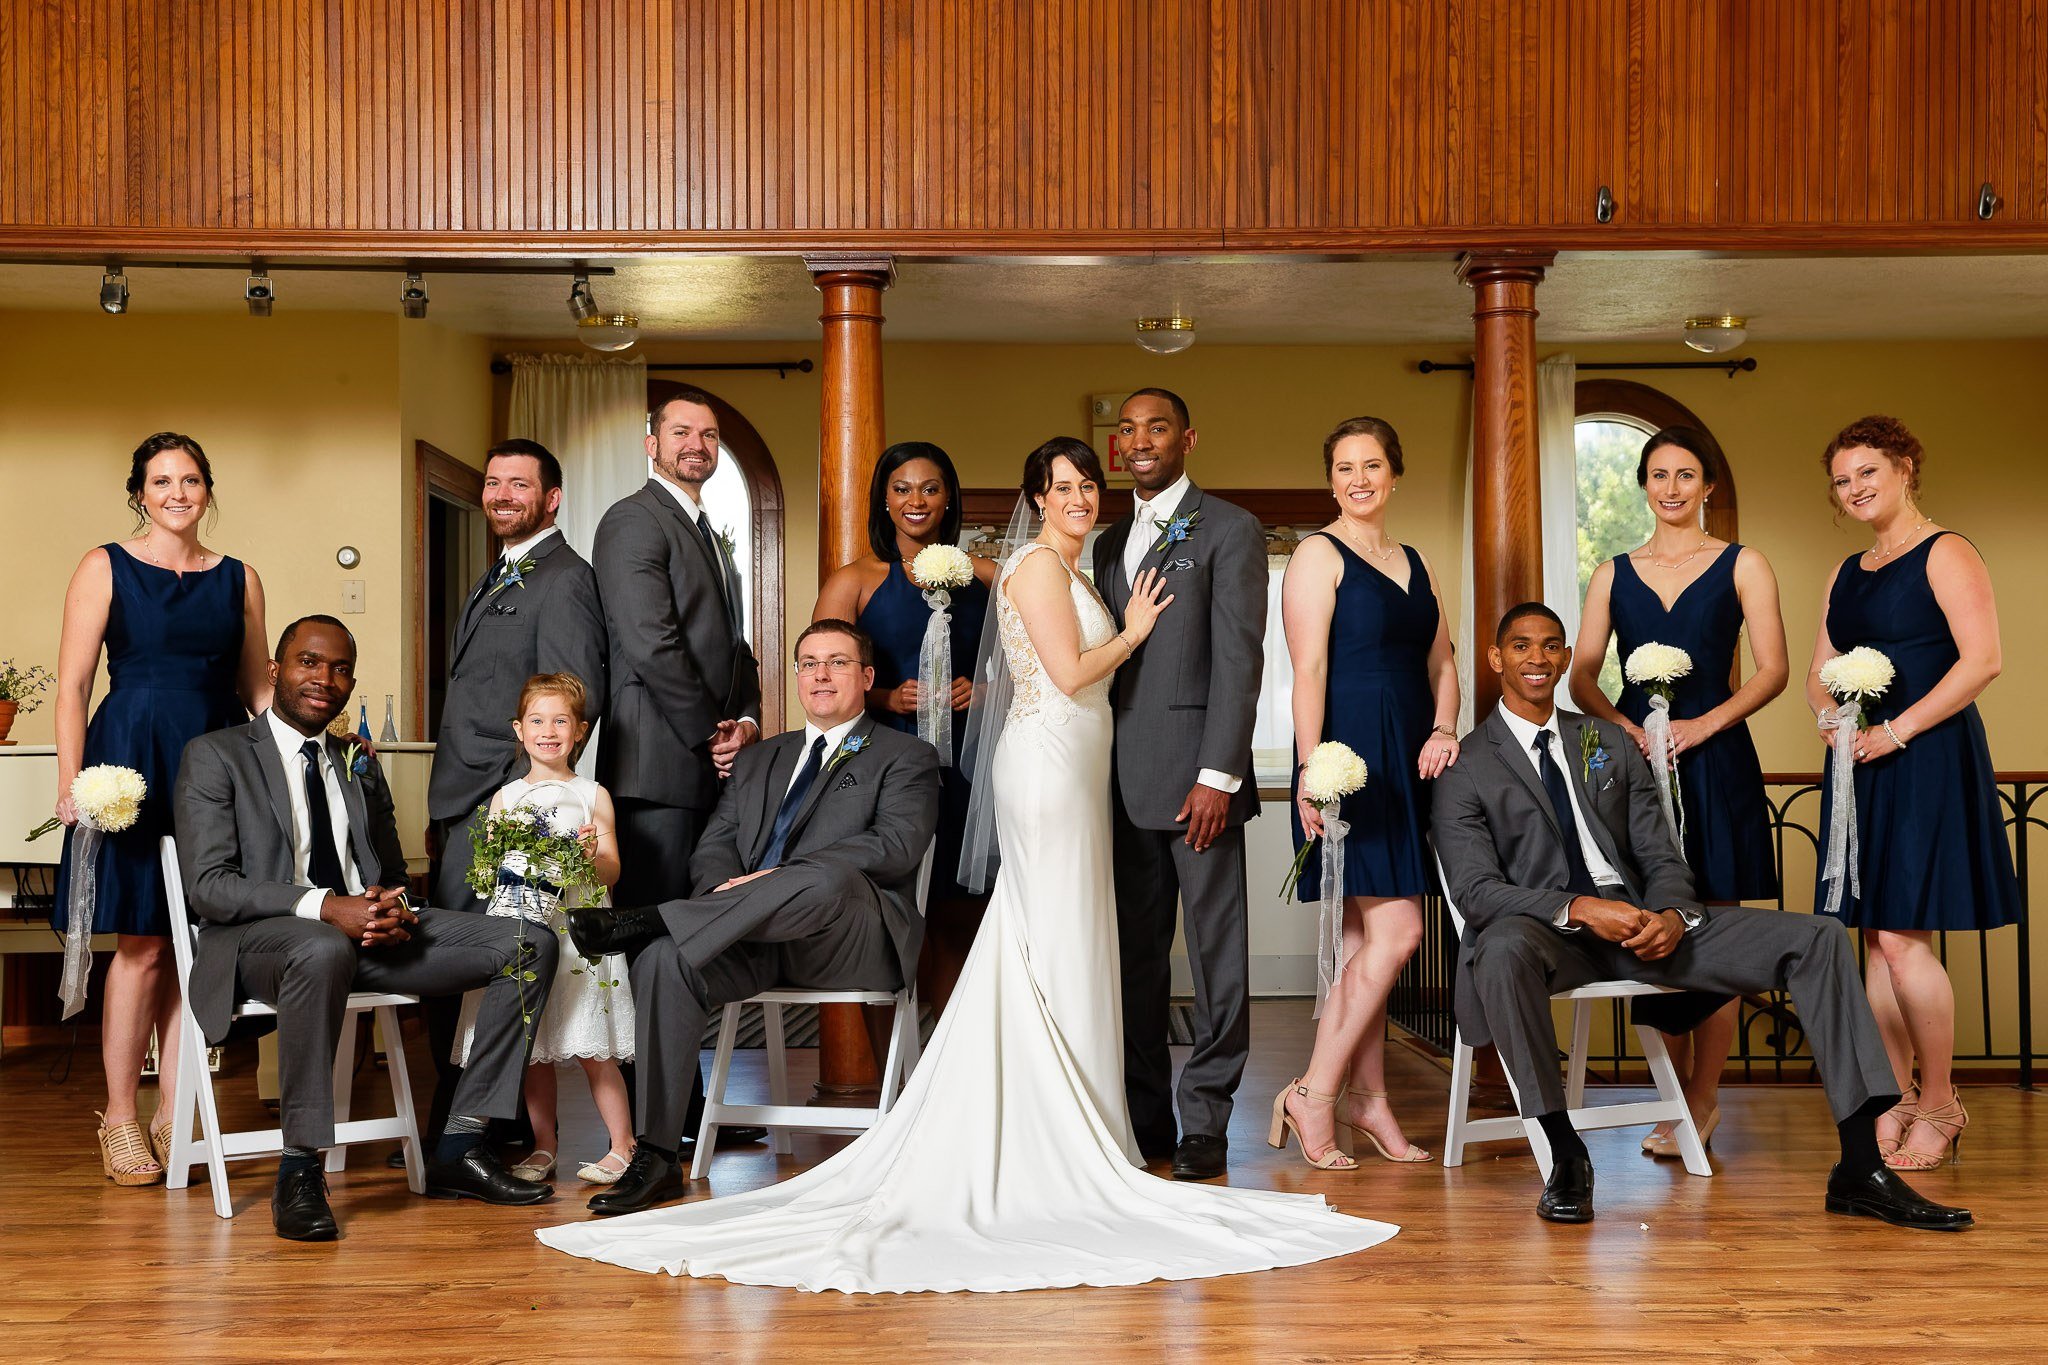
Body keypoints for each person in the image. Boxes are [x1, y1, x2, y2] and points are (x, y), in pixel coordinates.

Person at [534, 442, 1395, 1293]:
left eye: (1088, 485)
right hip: (1050, 771)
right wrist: (1132, 632)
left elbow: (1031, 623)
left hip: (1079, 769)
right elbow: (1066, 671)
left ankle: (1087, 1121)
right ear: (1034, 496)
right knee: (1050, 936)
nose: (1081, 497)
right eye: (1061, 487)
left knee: (1067, 942)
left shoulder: (1061, 565)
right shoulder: (1040, 569)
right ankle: (1052, 1128)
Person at [1431, 602, 1970, 1231]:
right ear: (1497, 659)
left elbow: (1661, 851)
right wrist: (1579, 907)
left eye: (1552, 646)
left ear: (1567, 657)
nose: (1538, 659)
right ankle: (1565, 1155)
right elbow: (1476, 892)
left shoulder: (1605, 741)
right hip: (1550, 934)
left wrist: (1674, 913)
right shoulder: (1465, 762)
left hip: (1642, 928)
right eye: (1521, 646)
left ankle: (1858, 1168)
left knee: (1819, 936)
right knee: (1497, 949)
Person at [173, 617, 559, 1240]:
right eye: (309, 663)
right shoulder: (217, 755)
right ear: (276, 670)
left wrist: (394, 908)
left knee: (529, 943)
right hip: (264, 943)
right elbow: (211, 887)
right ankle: (300, 1168)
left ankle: (462, 1143)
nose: (325, 680)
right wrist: (330, 906)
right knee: (323, 947)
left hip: (367, 939)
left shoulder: (357, 760)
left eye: (340, 668)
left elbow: (389, 868)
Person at [549, 618, 940, 1216]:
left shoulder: (905, 755)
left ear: (866, 676)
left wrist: (777, 879)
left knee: (824, 874)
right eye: (809, 663)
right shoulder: (761, 760)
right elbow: (715, 847)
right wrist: (727, 889)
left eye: (837, 662)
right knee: (663, 961)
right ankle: (655, 1154)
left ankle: (657, 916)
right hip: (749, 940)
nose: (821, 674)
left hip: (844, 937)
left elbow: (893, 847)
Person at [52, 432, 269, 1187]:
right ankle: (119, 1115)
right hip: (130, 759)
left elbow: (257, 689)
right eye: (161, 480)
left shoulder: (240, 578)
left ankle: (177, 1110)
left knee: (198, 946)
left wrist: (308, 750)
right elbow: (74, 685)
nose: (177, 492)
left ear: (209, 488)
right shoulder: (103, 565)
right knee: (143, 942)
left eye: (190, 479)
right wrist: (71, 782)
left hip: (214, 761)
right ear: (139, 491)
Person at [1807, 416, 2019, 1171]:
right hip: (1858, 766)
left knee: (1902, 939)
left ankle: (1940, 1100)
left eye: (1868, 471)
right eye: (1842, 479)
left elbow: (1982, 661)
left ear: (1903, 468)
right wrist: (1831, 719)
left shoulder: (1948, 551)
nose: (1856, 487)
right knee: (1873, 939)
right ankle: (1895, 1096)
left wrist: (1896, 732)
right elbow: (1818, 669)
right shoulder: (1846, 571)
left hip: (1925, 758)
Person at [1569, 425, 1787, 1158]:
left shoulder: (1743, 564)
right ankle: (1672, 1093)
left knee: (1717, 929)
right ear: (1644, 483)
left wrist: (1702, 726)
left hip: (1716, 761)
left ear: (1707, 486)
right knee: (1656, 925)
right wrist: (1628, 729)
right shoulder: (1611, 574)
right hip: (1637, 770)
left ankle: (1701, 1100)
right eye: (1658, 474)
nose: (1671, 488)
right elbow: (1581, 674)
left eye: (1685, 475)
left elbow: (1772, 669)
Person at [1092, 389, 1267, 1181]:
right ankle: (1146, 1115)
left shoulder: (1229, 528)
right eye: (1126, 429)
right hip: (1113, 786)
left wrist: (1218, 775)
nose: (1139, 440)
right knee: (1134, 963)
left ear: (1187, 437)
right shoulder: (1104, 541)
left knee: (1217, 956)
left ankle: (1207, 1119)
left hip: (1200, 782)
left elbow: (1239, 659)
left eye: (1155, 426)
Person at [1275, 417, 1457, 1169]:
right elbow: (1307, 670)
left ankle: (1368, 1098)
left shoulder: (1417, 560)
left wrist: (1445, 726)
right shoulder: (1318, 553)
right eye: (1344, 466)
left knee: (1364, 943)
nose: (1359, 478)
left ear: (1394, 473)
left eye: (1373, 464)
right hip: (1349, 756)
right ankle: (1315, 1092)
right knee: (1397, 935)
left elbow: (1443, 660)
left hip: (1412, 757)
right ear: (1331, 479)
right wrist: (1313, 772)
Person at [422, 437, 607, 1148]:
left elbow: (568, 699)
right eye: (493, 482)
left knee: (506, 964)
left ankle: (490, 1132)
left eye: (518, 484)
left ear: (551, 498)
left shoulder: (564, 578)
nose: (500, 494)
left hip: (505, 805)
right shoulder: (499, 571)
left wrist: (527, 802)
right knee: (472, 966)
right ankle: (474, 1122)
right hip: (463, 797)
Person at [592, 387, 763, 1141]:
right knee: (648, 946)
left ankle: (691, 1111)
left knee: (683, 940)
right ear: (651, 442)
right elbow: (649, 641)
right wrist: (710, 733)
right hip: (655, 768)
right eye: (682, 431)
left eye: (710, 434)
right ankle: (658, 1123)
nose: (698, 443)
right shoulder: (632, 519)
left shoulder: (706, 527)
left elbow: (733, 647)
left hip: (702, 762)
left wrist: (747, 719)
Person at [813, 440, 996, 1016]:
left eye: (930, 488)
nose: (915, 500)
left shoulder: (987, 577)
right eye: (901, 488)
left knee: (960, 907)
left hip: (967, 765)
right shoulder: (856, 580)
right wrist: (887, 695)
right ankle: (893, 1081)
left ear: (949, 501)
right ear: (883, 501)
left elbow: (1045, 661)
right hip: (882, 762)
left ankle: (950, 1060)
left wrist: (985, 690)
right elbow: (821, 678)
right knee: (881, 909)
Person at [451, 673, 632, 1185]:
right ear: (519, 729)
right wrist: (503, 861)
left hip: (577, 936)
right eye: (537, 720)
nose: (548, 731)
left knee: (592, 1048)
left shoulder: (593, 796)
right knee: (533, 1044)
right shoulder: (504, 799)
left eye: (560, 721)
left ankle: (623, 1144)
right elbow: (485, 876)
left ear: (580, 731)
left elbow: (612, 870)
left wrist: (591, 854)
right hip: (522, 927)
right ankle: (544, 1144)